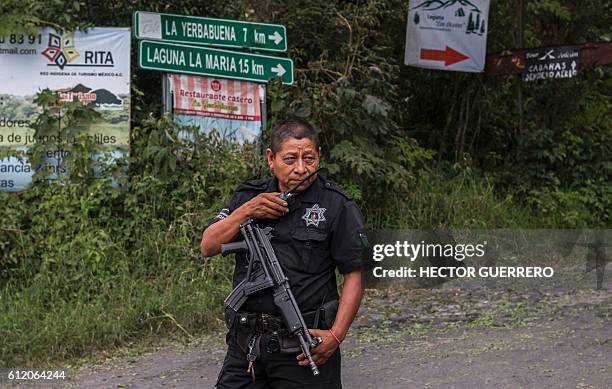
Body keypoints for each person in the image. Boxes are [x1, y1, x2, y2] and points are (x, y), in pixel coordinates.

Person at [200, 118, 367, 389]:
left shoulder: (336, 205)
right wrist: (247, 211)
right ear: (271, 158)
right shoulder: (248, 196)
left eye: (309, 159)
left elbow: (355, 275)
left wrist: (335, 336)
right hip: (246, 348)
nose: (301, 168)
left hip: (303, 349)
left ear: (319, 156)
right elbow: (208, 245)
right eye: (290, 159)